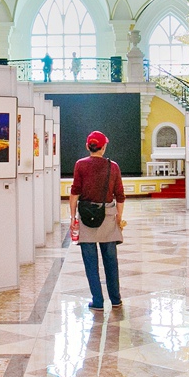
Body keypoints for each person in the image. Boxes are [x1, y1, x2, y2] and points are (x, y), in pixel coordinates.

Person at [69, 130, 127, 311]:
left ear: (88, 146)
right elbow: (120, 196)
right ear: (104, 147)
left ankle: (98, 301)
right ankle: (116, 299)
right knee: (111, 261)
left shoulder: (80, 165)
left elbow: (75, 192)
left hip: (86, 216)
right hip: (108, 216)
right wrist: (119, 218)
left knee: (90, 262)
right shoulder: (113, 166)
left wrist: (72, 217)